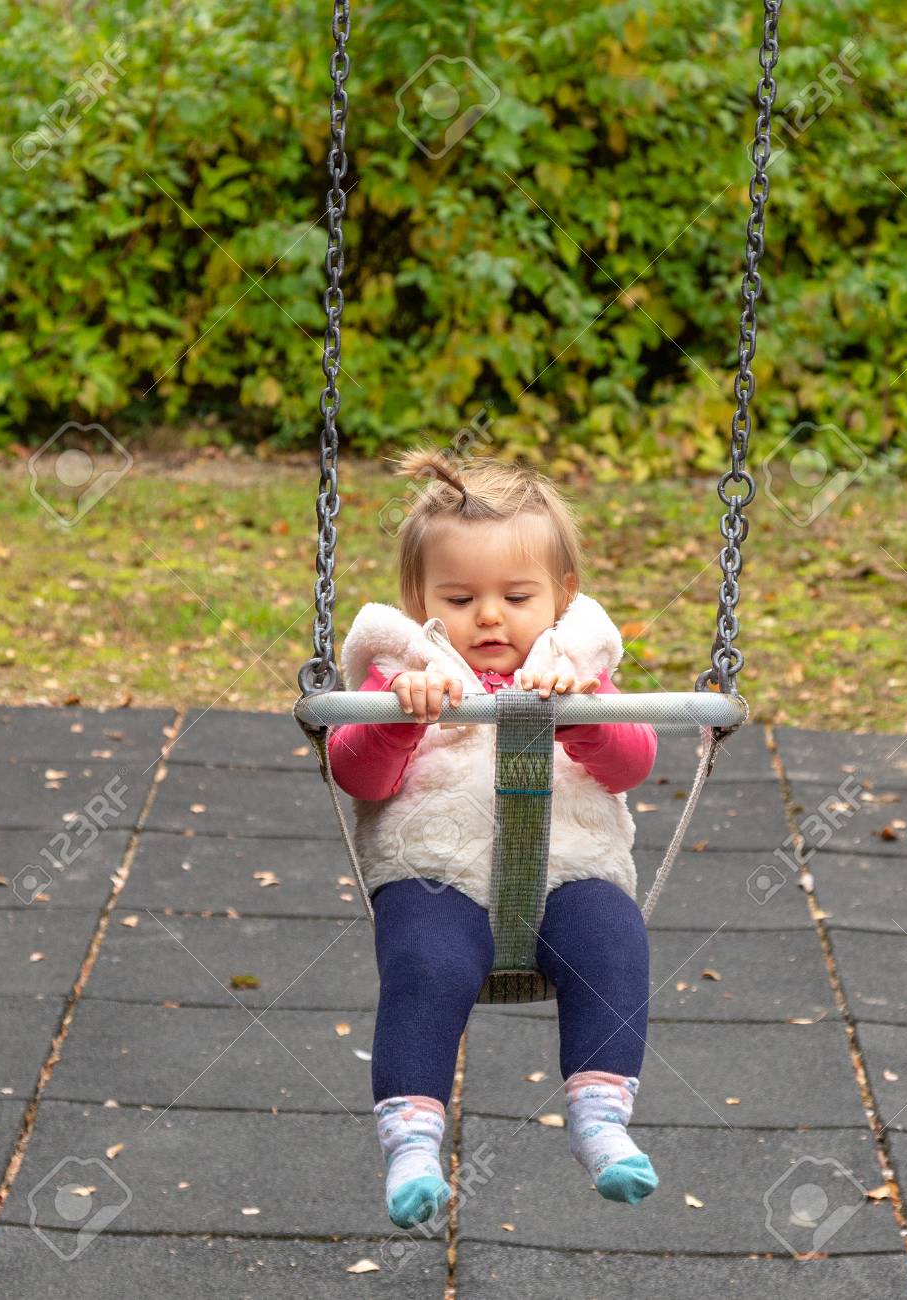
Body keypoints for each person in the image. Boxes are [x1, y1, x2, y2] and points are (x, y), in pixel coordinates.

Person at [327, 447, 659, 1230]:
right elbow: (360, 778)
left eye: (516, 595)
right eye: (459, 595)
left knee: (614, 940)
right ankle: (411, 1142)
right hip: (435, 871)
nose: (488, 616)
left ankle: (602, 1119)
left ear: (561, 595)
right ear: (418, 603)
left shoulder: (577, 667)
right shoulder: (405, 670)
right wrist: (402, 717)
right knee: (425, 963)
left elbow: (633, 763)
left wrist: (585, 714)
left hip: (567, 869)